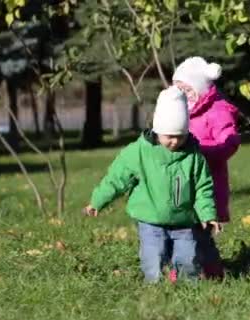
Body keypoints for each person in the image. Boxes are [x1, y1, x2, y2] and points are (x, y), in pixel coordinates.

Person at [83, 87, 220, 283]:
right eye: (169, 136)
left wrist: (208, 214)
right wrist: (98, 201)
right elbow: (116, 179)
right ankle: (155, 288)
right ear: (157, 130)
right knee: (153, 256)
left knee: (188, 257)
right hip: (150, 219)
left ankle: (188, 288)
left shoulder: (194, 156)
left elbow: (202, 188)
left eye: (180, 136)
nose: (174, 141)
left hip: (184, 221)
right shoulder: (138, 153)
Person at [172, 56, 241, 279]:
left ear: (200, 88)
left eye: (187, 90)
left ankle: (208, 272)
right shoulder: (180, 109)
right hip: (183, 186)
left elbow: (229, 143)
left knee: (199, 235)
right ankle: (188, 271)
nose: (183, 95)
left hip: (207, 186)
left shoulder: (218, 111)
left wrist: (200, 150)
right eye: (178, 89)